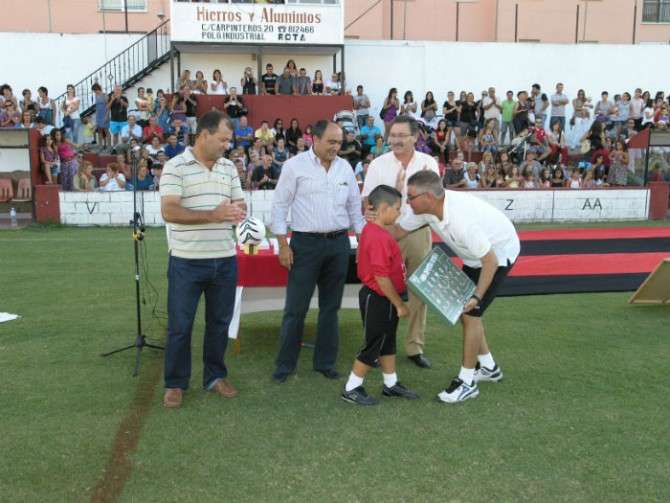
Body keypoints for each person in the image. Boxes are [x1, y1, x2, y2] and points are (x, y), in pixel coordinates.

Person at [391, 170, 520, 403]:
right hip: (475, 257)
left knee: (471, 313)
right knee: (466, 314)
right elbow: (398, 232)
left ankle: (467, 382)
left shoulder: (462, 221)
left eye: (411, 197)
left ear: (429, 197)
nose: (407, 202)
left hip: (498, 254)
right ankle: (489, 367)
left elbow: (490, 261)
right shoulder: (425, 210)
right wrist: (373, 226)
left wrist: (477, 297)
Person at [160, 110, 247, 409]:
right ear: (204, 134)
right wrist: (213, 215)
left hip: (224, 258)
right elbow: (170, 211)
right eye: (222, 139)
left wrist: (238, 210)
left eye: (228, 140)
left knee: (219, 323)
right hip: (187, 260)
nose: (227, 145)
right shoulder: (175, 166)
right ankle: (175, 383)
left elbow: (239, 202)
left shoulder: (228, 167)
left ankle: (215, 376)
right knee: (180, 325)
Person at [270, 120, 365, 383]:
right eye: (331, 142)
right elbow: (279, 206)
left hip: (339, 245)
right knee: (295, 309)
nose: (336, 147)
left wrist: (363, 242)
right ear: (315, 139)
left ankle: (325, 363)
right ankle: (285, 365)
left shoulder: (345, 167)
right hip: (305, 245)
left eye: (339, 142)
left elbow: (354, 209)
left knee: (330, 308)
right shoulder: (294, 166)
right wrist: (283, 244)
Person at [362, 115, 440, 368]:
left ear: (415, 137)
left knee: (419, 291)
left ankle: (415, 347)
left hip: (418, 231)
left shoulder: (428, 162)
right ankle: (379, 346)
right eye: (392, 135)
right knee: (382, 290)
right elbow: (367, 202)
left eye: (401, 136)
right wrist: (371, 213)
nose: (395, 140)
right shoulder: (378, 164)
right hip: (386, 234)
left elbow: (434, 199)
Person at [342, 185, 419, 406]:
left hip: (383, 297)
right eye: (397, 209)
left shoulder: (376, 231)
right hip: (378, 297)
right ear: (384, 208)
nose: (399, 213)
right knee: (374, 342)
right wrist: (399, 304)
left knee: (387, 340)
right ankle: (351, 388)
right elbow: (381, 277)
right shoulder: (378, 236)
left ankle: (390, 383)